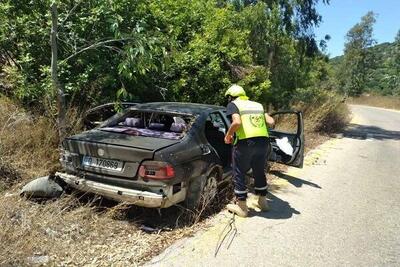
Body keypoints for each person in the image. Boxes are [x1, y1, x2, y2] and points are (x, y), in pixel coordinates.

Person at [224, 84, 275, 217]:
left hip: (245, 143)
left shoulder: (234, 104)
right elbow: (271, 121)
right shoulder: (257, 105)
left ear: (230, 97)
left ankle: (242, 208)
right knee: (259, 170)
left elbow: (236, 123)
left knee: (239, 171)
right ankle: (263, 202)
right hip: (263, 142)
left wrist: (228, 135)